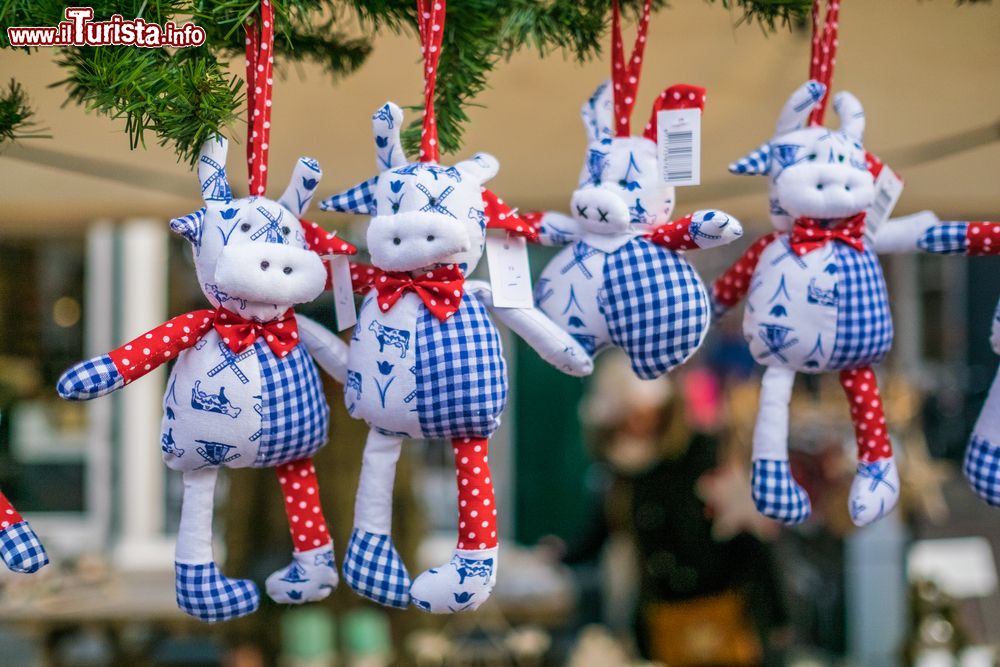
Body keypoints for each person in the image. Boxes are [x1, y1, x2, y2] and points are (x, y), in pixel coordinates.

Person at [556, 351, 789, 666]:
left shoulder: (704, 456)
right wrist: (557, 556)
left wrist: (776, 615)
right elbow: (602, 530)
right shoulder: (621, 472)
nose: (639, 421)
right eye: (629, 413)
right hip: (660, 622)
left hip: (723, 615)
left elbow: (748, 535)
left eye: (646, 410)